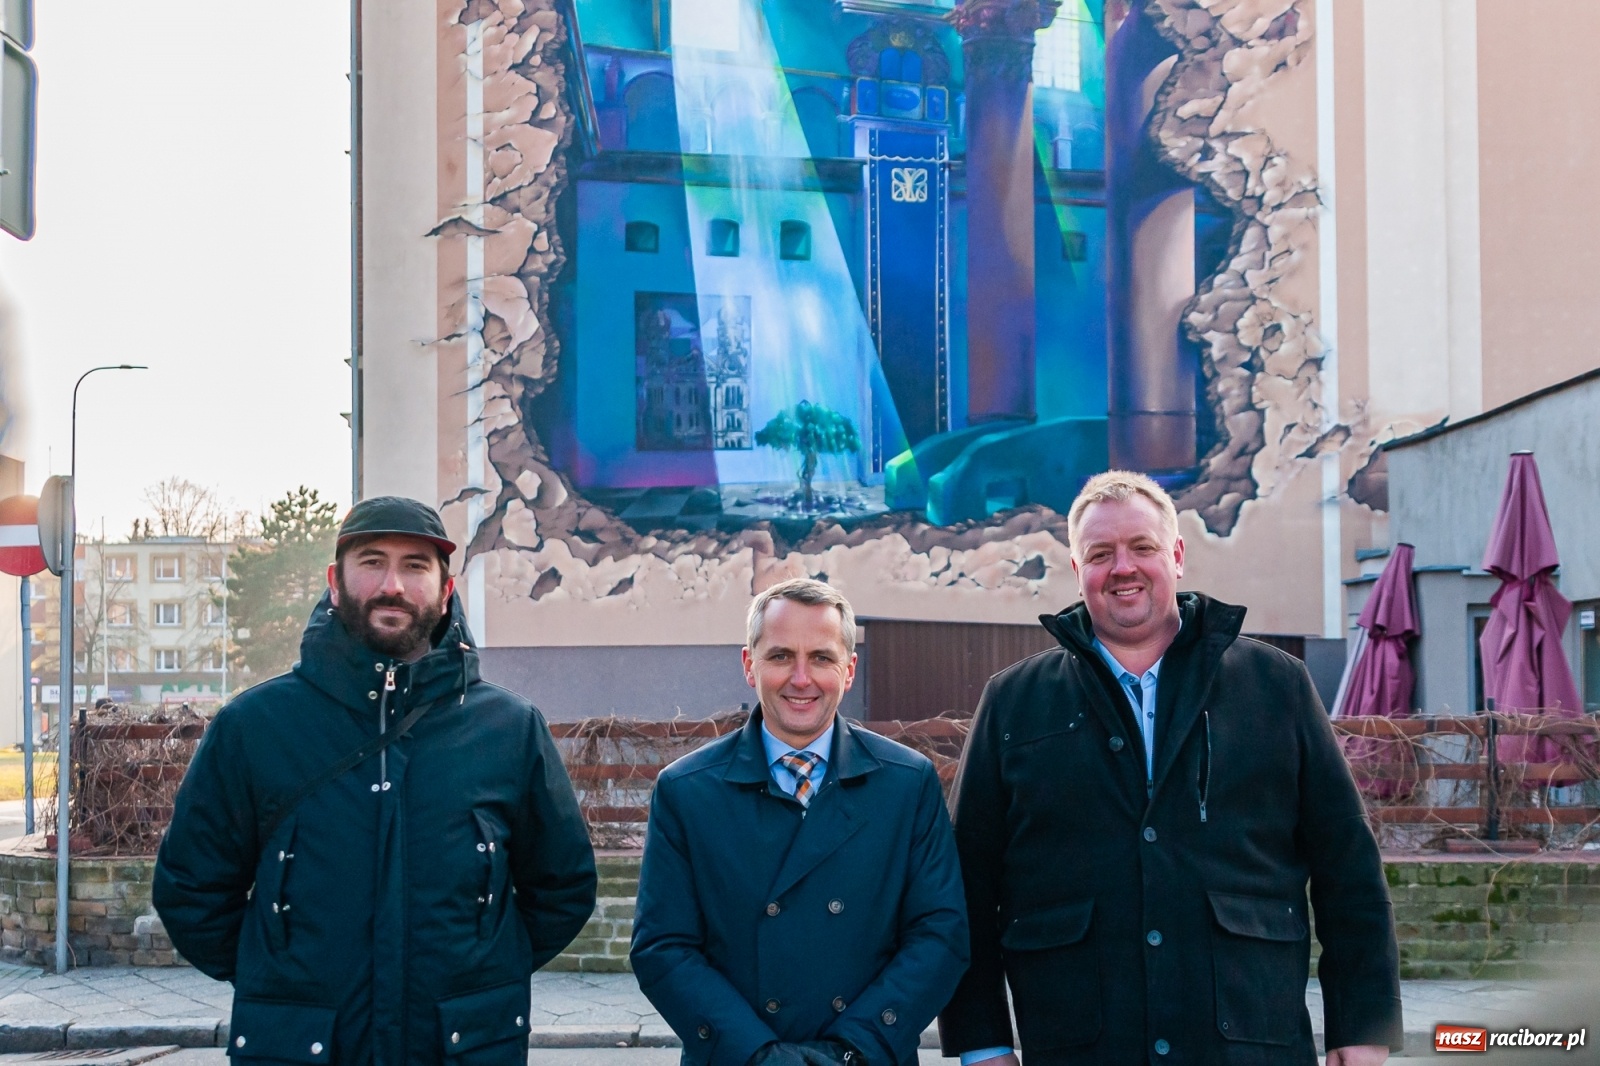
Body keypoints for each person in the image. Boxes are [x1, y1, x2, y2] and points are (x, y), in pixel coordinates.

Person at [938, 471, 1402, 1066]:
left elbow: (1348, 868)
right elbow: (968, 886)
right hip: (1079, 1046)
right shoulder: (1014, 702)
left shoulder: (1276, 686)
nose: (1122, 567)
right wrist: (982, 1044)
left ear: (1177, 556)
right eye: (1100, 554)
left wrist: (1362, 1026)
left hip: (1248, 1041)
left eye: (1143, 547)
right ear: (1077, 569)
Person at [155, 496, 597, 1065]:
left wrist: (483, 965)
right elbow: (190, 890)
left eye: (415, 566)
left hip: (464, 1045)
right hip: (300, 1045)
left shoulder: (509, 730)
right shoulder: (255, 727)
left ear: (445, 589)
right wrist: (279, 968)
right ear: (335, 582)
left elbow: (563, 887)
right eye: (371, 562)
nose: (392, 584)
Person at [632, 578, 969, 1066]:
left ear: (849, 670)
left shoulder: (906, 783)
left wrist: (855, 1048)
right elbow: (662, 947)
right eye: (781, 656)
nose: (802, 678)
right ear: (750, 665)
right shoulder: (687, 790)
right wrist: (759, 1055)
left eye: (822, 658)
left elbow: (940, 933)